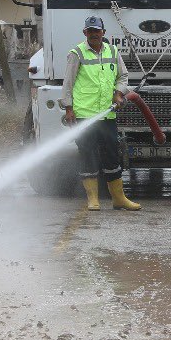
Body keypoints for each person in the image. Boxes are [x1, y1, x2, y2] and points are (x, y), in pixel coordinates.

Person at [62, 16, 141, 211]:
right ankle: (93, 199)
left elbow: (123, 76)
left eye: (97, 31)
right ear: (85, 33)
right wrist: (69, 108)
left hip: (107, 114)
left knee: (112, 155)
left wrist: (118, 93)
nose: (94, 34)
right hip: (85, 115)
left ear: (103, 32)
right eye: (90, 31)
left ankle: (119, 198)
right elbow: (68, 83)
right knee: (87, 154)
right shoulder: (77, 53)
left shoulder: (113, 51)